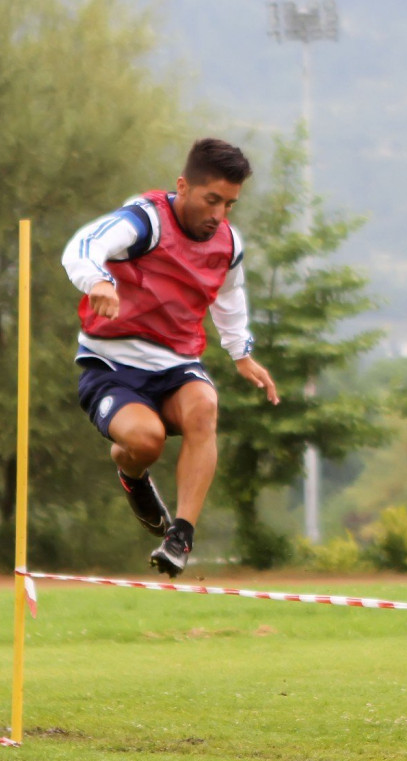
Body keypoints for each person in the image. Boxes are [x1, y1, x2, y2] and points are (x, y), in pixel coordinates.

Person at [61, 138, 279, 578]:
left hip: (177, 365)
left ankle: (180, 536)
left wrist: (241, 354)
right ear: (183, 186)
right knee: (145, 442)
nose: (218, 215)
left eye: (229, 204)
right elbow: (83, 246)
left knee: (205, 405)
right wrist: (98, 282)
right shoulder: (144, 222)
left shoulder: (228, 244)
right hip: (112, 367)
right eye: (211, 200)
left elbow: (230, 297)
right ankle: (133, 476)